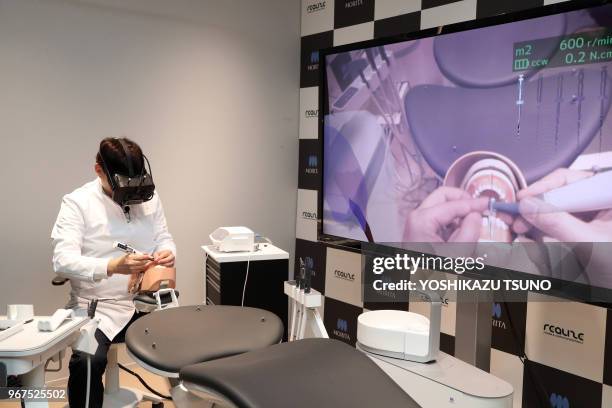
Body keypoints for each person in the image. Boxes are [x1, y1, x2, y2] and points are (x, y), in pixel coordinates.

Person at [51, 137, 176, 408]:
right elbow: (62, 261)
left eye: (137, 183)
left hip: (145, 304)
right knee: (87, 361)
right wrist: (112, 267)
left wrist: (168, 252)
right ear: (99, 170)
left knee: (183, 345)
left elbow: (163, 237)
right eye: (124, 186)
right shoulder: (77, 203)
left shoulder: (149, 199)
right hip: (96, 309)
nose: (132, 194)